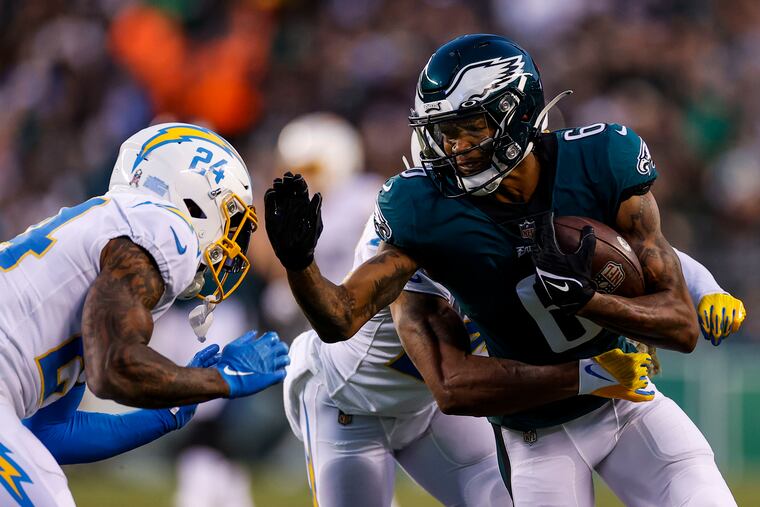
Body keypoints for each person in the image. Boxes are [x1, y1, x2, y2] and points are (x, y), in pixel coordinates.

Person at [264, 34, 742, 505]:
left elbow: (647, 267)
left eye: (470, 127)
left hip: (577, 405)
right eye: (444, 132)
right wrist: (300, 264)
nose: (456, 148)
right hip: (355, 400)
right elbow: (397, 351)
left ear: (517, 114)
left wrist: (703, 290)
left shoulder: (595, 163)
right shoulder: (420, 217)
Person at [0, 122, 290, 506]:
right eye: (230, 216)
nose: (231, 240)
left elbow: (51, 433)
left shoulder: (106, 234)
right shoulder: (163, 226)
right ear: (193, 195)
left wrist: (170, 412)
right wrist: (223, 378)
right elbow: (114, 366)